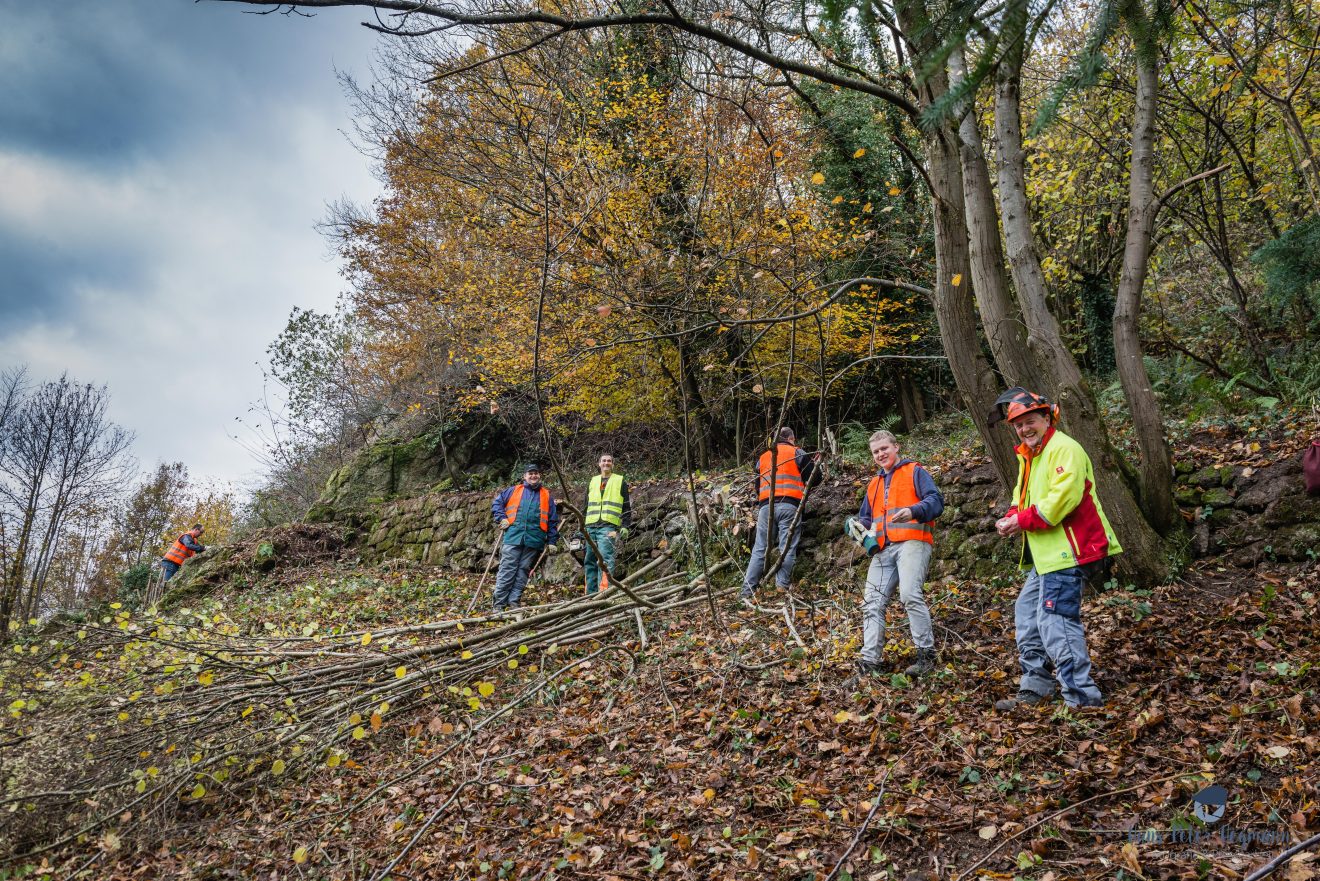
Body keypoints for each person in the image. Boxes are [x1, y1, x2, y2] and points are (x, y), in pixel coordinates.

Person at [989, 388, 1121, 711]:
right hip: (1048, 557)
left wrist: (1021, 520)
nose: (1024, 429)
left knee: (1056, 621)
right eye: (1018, 425)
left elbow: (1062, 500)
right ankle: (1037, 684)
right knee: (1026, 612)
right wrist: (1010, 518)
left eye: (1029, 421)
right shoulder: (1030, 457)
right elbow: (1021, 499)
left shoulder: (1065, 449)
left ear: (1047, 418)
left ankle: (1082, 699)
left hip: (1071, 551)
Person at [854, 430, 944, 678]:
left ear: (896, 447)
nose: (881, 454)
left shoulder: (915, 471)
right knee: (871, 602)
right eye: (876, 451)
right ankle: (870, 661)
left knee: (910, 595)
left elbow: (936, 501)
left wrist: (914, 511)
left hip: (913, 542)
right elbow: (866, 518)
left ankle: (926, 656)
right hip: (883, 549)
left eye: (884, 448)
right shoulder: (873, 484)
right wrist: (857, 527)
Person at [740, 427, 820, 601]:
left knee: (760, 549)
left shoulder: (763, 458)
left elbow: (757, 485)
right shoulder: (797, 452)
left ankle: (747, 592)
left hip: (765, 508)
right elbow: (815, 478)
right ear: (791, 438)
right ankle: (781, 588)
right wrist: (814, 463)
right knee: (787, 548)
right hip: (790, 506)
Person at [491, 462, 560, 612]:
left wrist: (552, 541)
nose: (533, 475)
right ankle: (499, 604)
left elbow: (553, 520)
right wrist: (502, 518)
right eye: (530, 473)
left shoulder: (546, 495)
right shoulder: (513, 491)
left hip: (534, 540)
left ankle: (514, 601)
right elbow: (497, 504)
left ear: (539, 476)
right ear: (525, 476)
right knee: (507, 570)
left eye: (536, 473)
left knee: (523, 571)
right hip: (513, 536)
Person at [583, 453, 631, 595]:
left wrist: (625, 525)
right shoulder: (592, 481)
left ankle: (603, 594)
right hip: (590, 526)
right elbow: (585, 506)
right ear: (599, 464)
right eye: (603, 461)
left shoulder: (620, 481)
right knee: (589, 560)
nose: (606, 463)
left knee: (605, 560)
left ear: (613, 464)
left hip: (609, 527)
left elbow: (626, 506)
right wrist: (581, 527)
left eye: (609, 461)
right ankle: (589, 595)